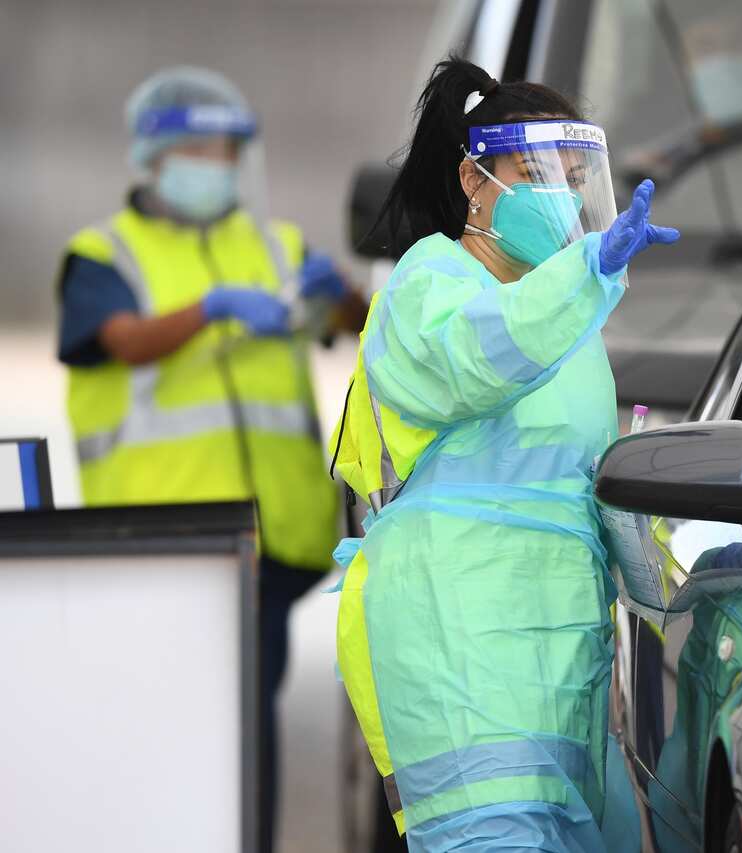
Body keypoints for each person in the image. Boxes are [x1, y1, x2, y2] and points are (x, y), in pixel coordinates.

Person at [329, 57, 679, 852]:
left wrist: (688, 560)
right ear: (474, 179)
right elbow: (478, 360)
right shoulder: (430, 284)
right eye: (535, 172)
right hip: (461, 658)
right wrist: (588, 273)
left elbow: (591, 492)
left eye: (574, 174)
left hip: (560, 677)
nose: (560, 192)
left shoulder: (574, 326)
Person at [54, 66, 365, 853]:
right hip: (167, 535)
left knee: (240, 733)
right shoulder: (103, 255)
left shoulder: (274, 243)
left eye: (227, 150)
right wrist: (212, 308)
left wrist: (346, 292)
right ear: (151, 159)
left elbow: (360, 324)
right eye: (197, 148)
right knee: (191, 737)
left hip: (271, 542)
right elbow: (118, 341)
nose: (216, 165)